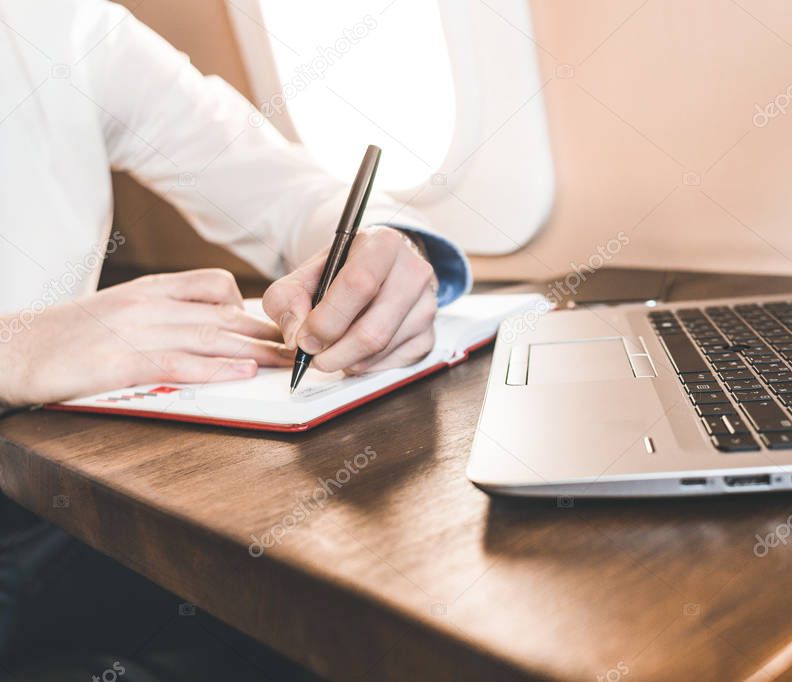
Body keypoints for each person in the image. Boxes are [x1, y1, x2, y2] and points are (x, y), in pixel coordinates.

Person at [0, 0, 471, 677]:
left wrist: (389, 254)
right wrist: (14, 347)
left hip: (50, 496)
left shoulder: (63, 24)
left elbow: (285, 189)